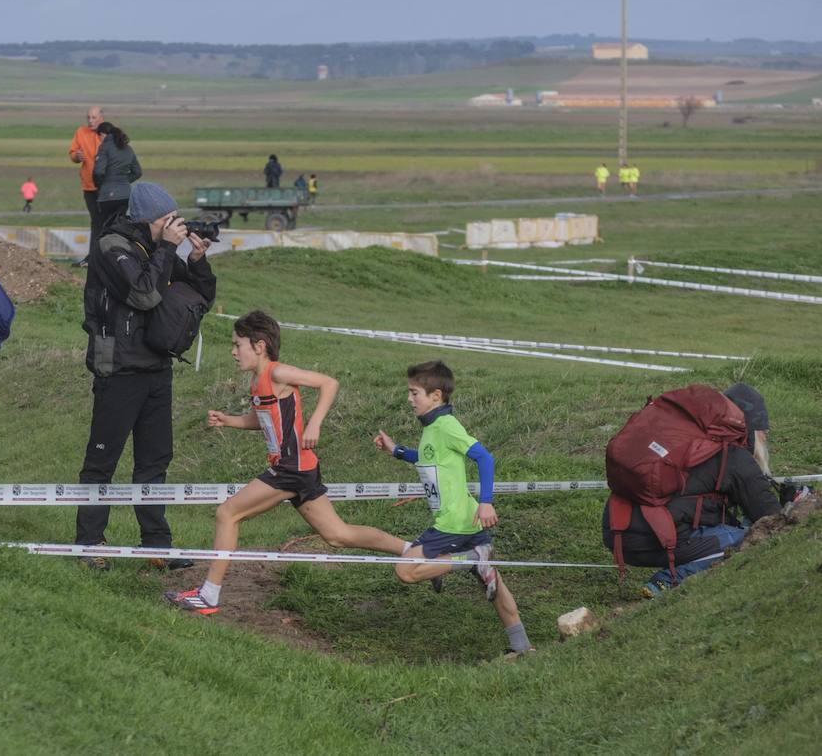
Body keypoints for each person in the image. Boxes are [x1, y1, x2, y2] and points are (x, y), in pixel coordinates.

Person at [164, 312, 406, 614]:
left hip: (291, 468)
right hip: (300, 469)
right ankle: (411, 550)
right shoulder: (258, 382)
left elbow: (328, 383)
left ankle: (209, 594)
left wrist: (315, 423)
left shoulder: (278, 373)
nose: (233, 351)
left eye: (238, 345)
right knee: (337, 535)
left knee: (227, 513)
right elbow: (263, 420)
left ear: (260, 345)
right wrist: (229, 421)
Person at [76, 182, 216, 570]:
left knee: (154, 461)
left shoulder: (157, 249)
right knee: (102, 461)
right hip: (118, 367)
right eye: (168, 220)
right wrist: (169, 249)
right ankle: (89, 543)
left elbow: (199, 296)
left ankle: (157, 544)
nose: (174, 226)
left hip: (156, 365)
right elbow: (143, 295)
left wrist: (198, 260)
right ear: (148, 219)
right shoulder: (112, 247)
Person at [372, 360, 533, 658]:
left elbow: (485, 458)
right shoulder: (433, 427)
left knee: (406, 570)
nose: (409, 399)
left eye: (414, 393)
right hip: (465, 522)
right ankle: (522, 648)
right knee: (496, 586)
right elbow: (429, 458)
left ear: (436, 396)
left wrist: (486, 502)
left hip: (455, 523)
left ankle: (470, 560)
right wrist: (396, 451)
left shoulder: (446, 426)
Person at [602, 382, 784, 598]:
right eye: (763, 432)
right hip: (647, 538)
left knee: (728, 527)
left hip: (616, 530)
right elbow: (770, 519)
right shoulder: (733, 456)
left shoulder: (689, 440)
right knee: (745, 538)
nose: (764, 438)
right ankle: (667, 582)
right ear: (751, 430)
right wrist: (795, 506)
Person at [91, 121, 141, 233]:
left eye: (99, 137)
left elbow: (98, 172)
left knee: (105, 228)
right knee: (120, 227)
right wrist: (123, 181)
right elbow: (137, 172)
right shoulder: (128, 148)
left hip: (107, 196)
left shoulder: (104, 147)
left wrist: (101, 185)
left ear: (103, 134)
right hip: (125, 195)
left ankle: (106, 249)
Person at [68, 106, 104, 261]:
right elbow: (72, 153)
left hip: (106, 187)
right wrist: (77, 156)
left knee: (107, 221)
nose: (90, 121)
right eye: (88, 117)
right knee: (96, 221)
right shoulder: (81, 132)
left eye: (94, 117)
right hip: (89, 185)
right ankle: (93, 257)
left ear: (101, 117)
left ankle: (104, 255)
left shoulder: (108, 132)